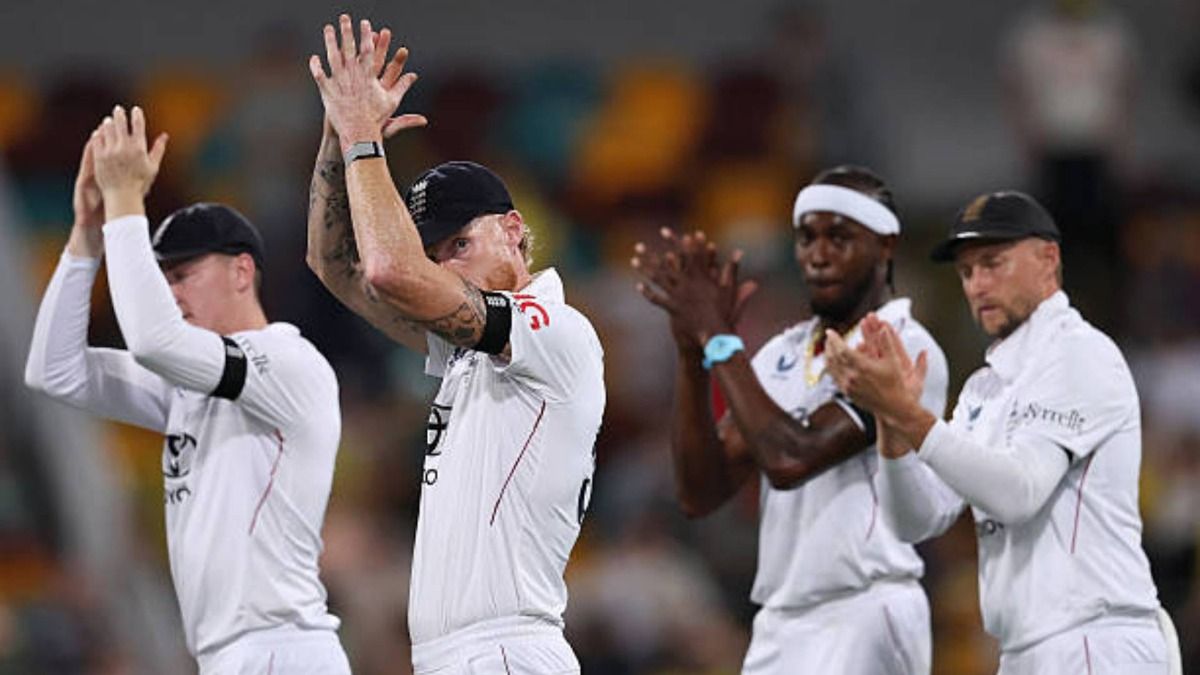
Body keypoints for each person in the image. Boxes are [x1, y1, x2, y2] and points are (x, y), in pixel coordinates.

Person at [305, 15, 604, 674]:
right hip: (458, 654)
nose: (448, 267)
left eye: (460, 244)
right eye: (436, 254)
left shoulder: (553, 329)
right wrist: (337, 130)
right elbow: (333, 265)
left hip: (505, 647)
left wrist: (362, 139)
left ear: (515, 230)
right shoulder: (468, 351)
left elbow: (389, 270)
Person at [24, 107, 348, 673]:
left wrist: (126, 203)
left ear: (242, 272)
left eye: (182, 275)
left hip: (280, 649)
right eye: (163, 277)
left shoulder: (286, 360)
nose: (169, 292)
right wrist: (86, 238)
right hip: (234, 655)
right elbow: (54, 371)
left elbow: (153, 340)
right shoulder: (188, 386)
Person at [825, 190, 1181, 674]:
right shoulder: (983, 389)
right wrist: (890, 421)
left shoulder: (1079, 353)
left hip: (1095, 639)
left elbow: (1020, 492)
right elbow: (916, 519)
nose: (977, 285)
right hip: (1025, 649)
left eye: (993, 263)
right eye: (967, 272)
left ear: (1048, 258)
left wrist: (909, 414)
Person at [631, 166, 949, 674]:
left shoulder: (901, 346)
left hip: (866, 609)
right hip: (781, 619)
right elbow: (700, 492)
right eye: (806, 238)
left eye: (839, 238)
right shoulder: (783, 353)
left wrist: (718, 337)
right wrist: (692, 356)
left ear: (885, 246)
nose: (818, 254)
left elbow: (790, 457)